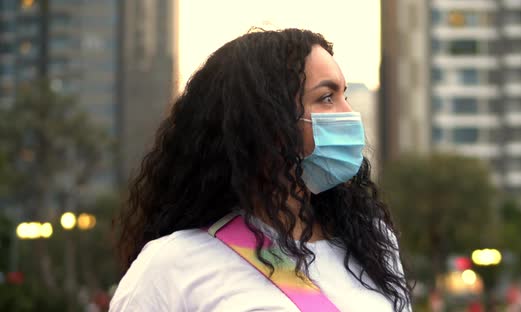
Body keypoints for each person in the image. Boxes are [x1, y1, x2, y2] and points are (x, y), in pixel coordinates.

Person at [110, 28, 412, 311]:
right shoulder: (170, 264)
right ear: (266, 123)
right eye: (326, 98)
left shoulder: (373, 242)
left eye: (344, 95)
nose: (349, 113)